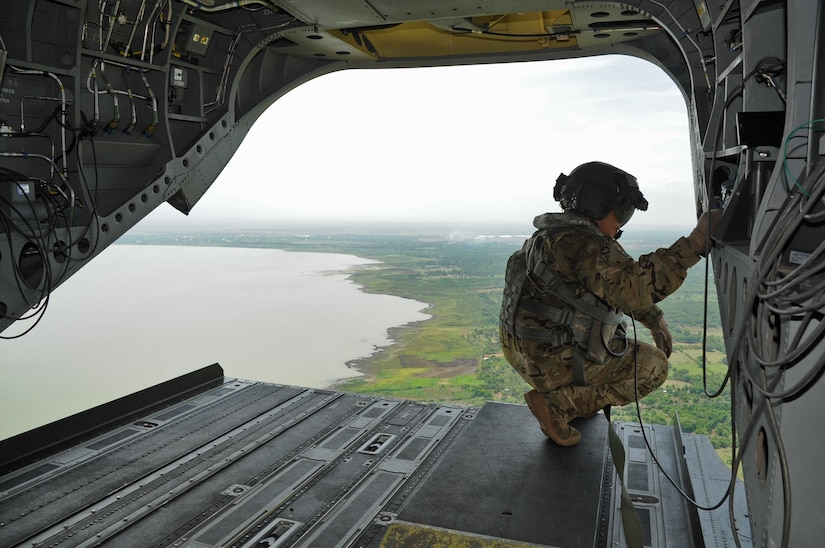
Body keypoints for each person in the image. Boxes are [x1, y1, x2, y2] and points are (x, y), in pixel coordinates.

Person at [499, 161, 722, 446]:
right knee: (654, 366)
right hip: (550, 360)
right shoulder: (588, 246)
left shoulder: (547, 237)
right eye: (624, 210)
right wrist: (697, 241)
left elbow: (606, 288)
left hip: (524, 355)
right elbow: (634, 287)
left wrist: (654, 319)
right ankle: (559, 405)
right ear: (599, 205)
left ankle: (562, 396)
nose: (622, 221)